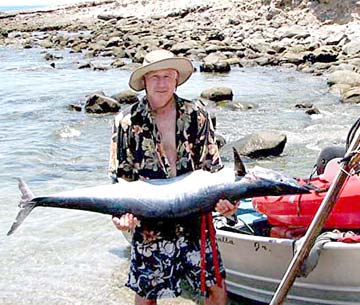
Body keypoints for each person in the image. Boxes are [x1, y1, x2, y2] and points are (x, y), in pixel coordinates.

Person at [109, 49, 238, 305]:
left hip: (195, 220)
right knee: (146, 296)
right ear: (144, 81)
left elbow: (213, 168)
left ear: (176, 79)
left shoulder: (197, 115)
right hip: (149, 223)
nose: (161, 83)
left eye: (167, 76)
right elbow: (121, 177)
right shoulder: (125, 122)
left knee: (216, 288)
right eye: (154, 76)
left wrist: (228, 203)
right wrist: (120, 216)